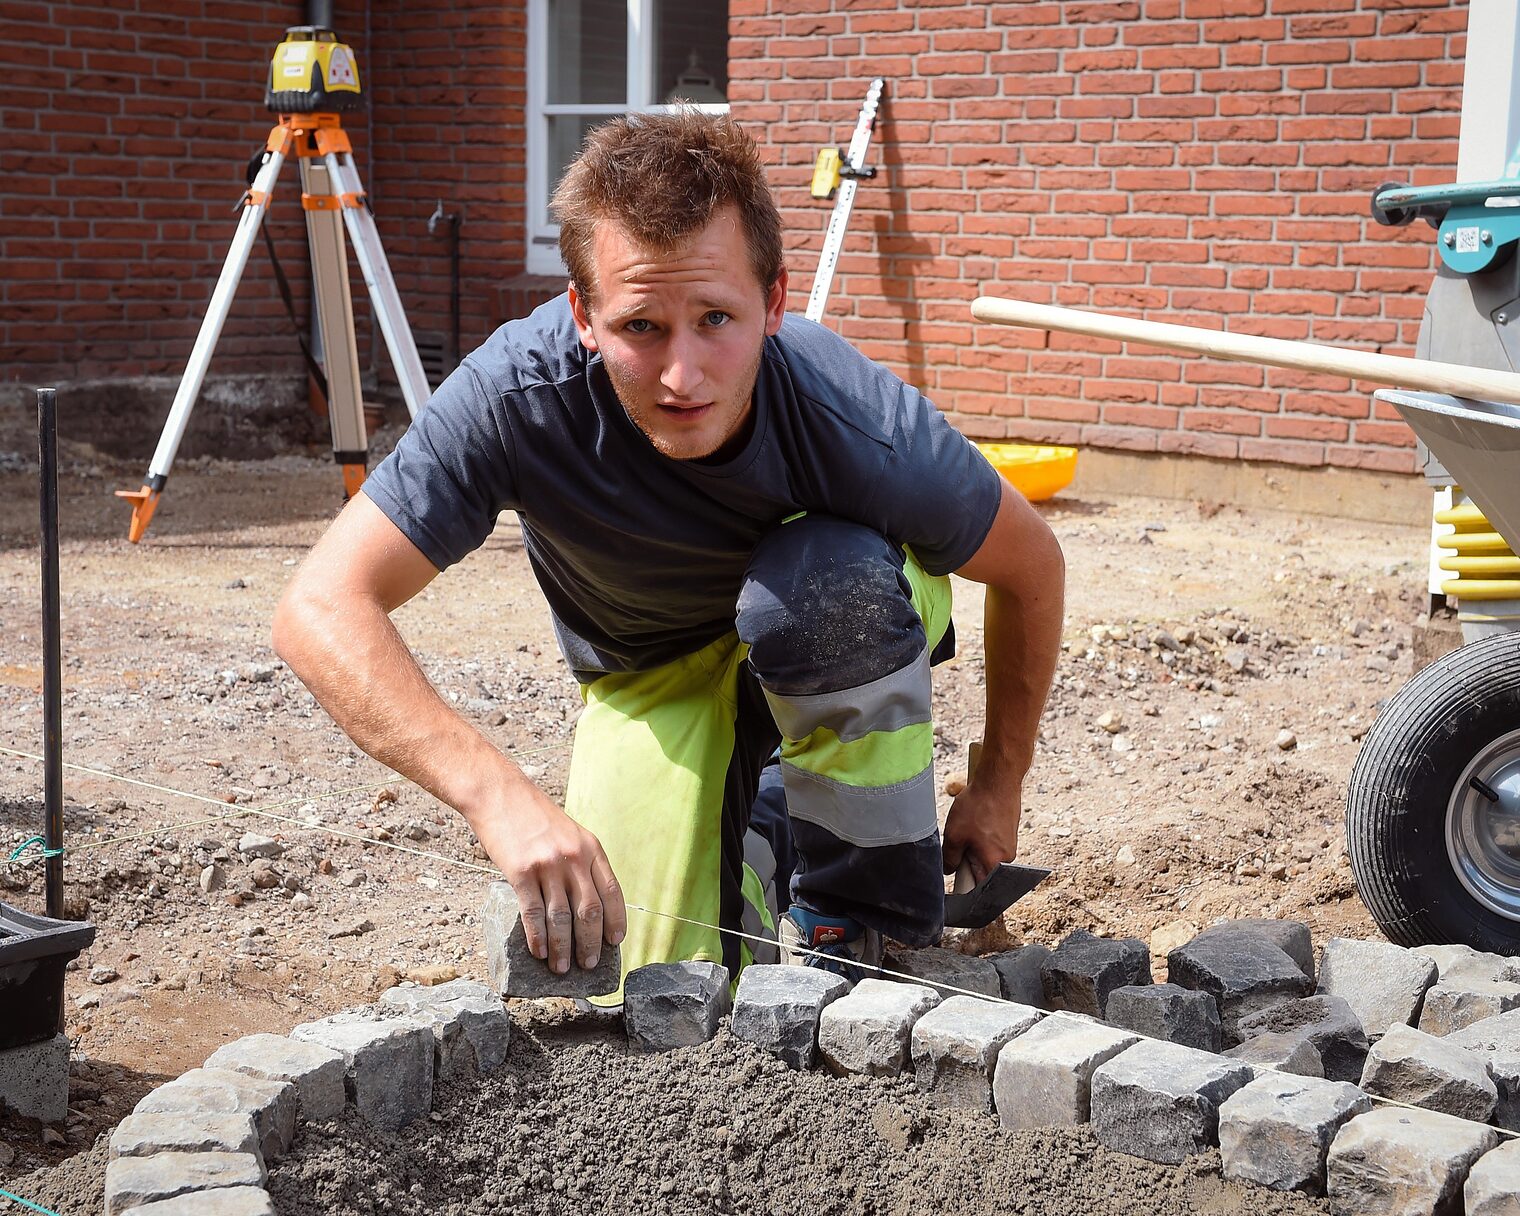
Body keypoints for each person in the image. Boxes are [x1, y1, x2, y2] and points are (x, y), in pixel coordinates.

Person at [272, 109, 1065, 993]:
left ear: (773, 302)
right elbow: (319, 607)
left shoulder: (852, 419)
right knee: (647, 985)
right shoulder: (516, 398)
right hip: (652, 675)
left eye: (715, 319)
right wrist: (501, 799)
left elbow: (1032, 567)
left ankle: (864, 923)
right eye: (641, 327)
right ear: (582, 312)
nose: (682, 376)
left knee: (821, 588)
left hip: (832, 615)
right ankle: (769, 838)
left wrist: (997, 783)